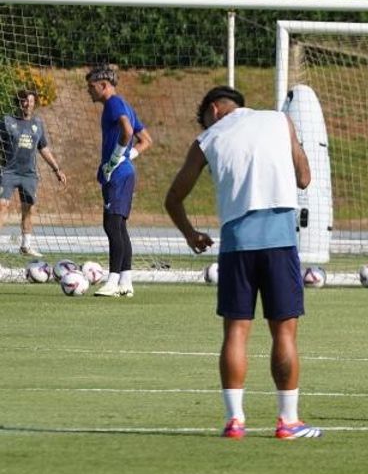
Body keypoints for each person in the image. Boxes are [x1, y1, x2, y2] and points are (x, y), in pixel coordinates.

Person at [164, 86, 321, 441]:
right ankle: (288, 421)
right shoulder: (280, 121)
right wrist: (293, 148)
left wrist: (191, 234)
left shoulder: (207, 138)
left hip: (236, 244)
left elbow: (173, 198)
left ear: (215, 110)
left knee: (236, 331)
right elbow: (304, 178)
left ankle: (235, 422)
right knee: (283, 331)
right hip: (280, 240)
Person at [87, 66, 153, 298]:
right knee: (119, 226)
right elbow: (146, 140)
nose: (88, 91)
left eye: (91, 86)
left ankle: (112, 280)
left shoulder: (114, 103)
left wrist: (116, 159)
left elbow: (126, 130)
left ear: (103, 85)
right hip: (122, 172)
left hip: (118, 174)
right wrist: (127, 156)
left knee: (112, 225)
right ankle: (126, 281)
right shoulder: (124, 104)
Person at [1, 88, 65, 256]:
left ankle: (26, 246)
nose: (27, 104)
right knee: (2, 205)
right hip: (8, 172)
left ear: (34, 103)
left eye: (30, 101)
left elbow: (43, 148)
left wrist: (56, 169)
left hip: (29, 174)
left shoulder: (38, 124)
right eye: (23, 101)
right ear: (18, 103)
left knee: (28, 208)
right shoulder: (7, 121)